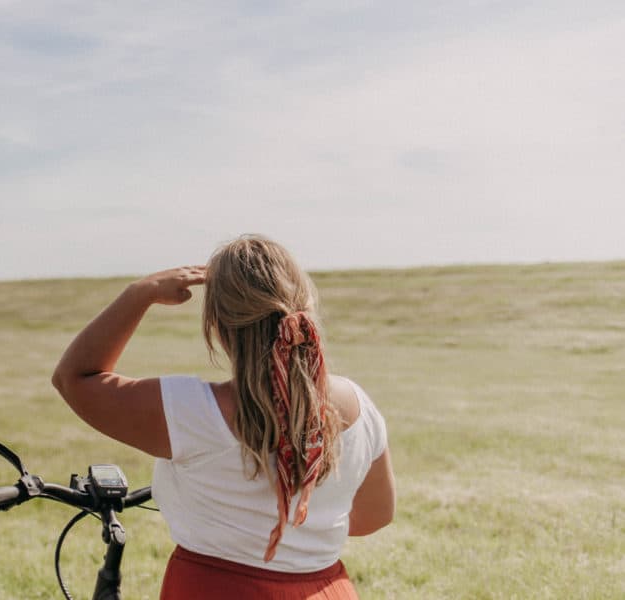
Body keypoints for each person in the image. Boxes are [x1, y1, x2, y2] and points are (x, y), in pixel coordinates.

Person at [53, 235, 395, 599]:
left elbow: (74, 377)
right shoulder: (359, 406)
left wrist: (140, 293)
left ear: (217, 326)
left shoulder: (190, 411)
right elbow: (376, 515)